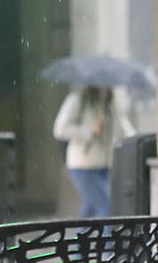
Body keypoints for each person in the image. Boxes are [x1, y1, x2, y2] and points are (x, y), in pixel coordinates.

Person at [53, 84, 131, 218]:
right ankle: (110, 239)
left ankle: (81, 238)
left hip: (104, 166)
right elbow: (60, 129)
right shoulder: (78, 100)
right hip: (83, 166)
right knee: (107, 207)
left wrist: (135, 138)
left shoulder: (110, 104)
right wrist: (89, 131)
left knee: (89, 209)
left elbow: (123, 126)